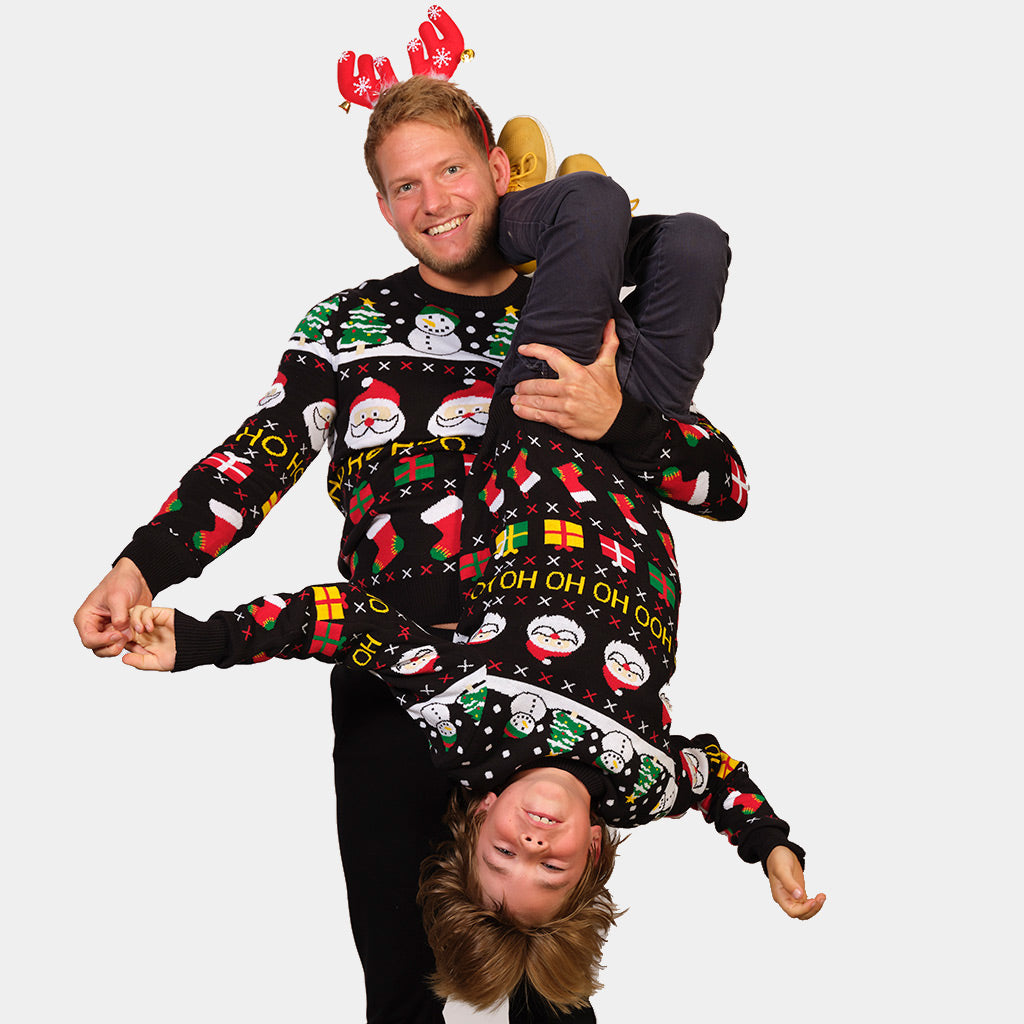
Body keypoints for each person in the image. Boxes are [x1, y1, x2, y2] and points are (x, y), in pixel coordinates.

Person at [74, 72, 737, 1023]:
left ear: (500, 171)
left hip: (553, 672)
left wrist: (620, 422)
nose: (433, 202)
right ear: (382, 206)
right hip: (386, 668)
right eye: (404, 186)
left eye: (452, 172)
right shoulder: (347, 326)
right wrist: (142, 564)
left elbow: (724, 483)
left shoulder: (577, 314)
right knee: (402, 972)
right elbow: (256, 457)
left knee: (543, 977)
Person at [117, 324, 824, 1013]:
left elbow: (348, 620)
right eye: (549, 862)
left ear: (481, 811)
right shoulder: (640, 782)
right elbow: (713, 778)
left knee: (508, 956)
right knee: (432, 959)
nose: (532, 843)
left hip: (467, 596)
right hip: (421, 654)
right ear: (592, 853)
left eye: (508, 852)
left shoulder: (469, 719)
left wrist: (206, 639)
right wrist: (769, 846)